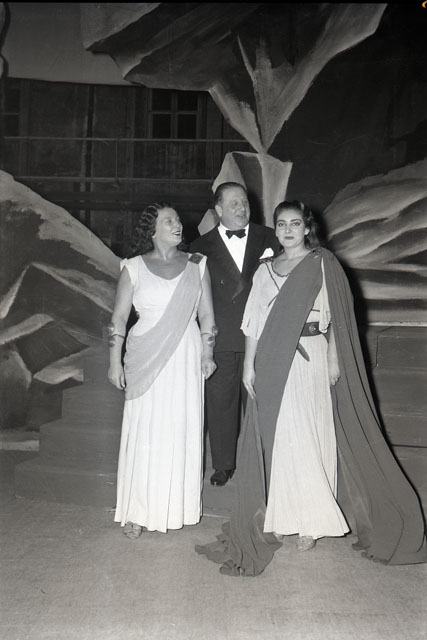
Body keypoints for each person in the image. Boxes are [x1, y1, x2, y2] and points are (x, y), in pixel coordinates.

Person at [196, 200, 426, 575]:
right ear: (275, 229)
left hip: (312, 356)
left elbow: (337, 317)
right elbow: (253, 322)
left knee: (310, 436)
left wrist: (334, 358)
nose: (287, 230)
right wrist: (249, 366)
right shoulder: (265, 270)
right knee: (281, 440)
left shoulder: (323, 263)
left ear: (306, 228)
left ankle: (312, 522)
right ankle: (283, 516)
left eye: (294, 224)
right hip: (272, 360)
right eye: (281, 224)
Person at [108, 203, 217, 538]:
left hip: (186, 354)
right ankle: (137, 512)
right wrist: (113, 361)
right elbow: (118, 318)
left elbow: (207, 316)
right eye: (168, 220)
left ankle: (176, 508)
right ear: (152, 231)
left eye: (178, 220)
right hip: (145, 356)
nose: (177, 224)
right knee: (145, 429)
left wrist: (208, 353)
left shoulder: (197, 264)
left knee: (180, 426)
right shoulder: (133, 267)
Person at [190, 182, 278, 486]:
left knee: (261, 401)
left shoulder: (270, 237)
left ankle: (263, 463)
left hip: (262, 335)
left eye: (245, 202)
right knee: (220, 402)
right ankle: (223, 464)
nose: (241, 209)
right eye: (234, 204)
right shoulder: (199, 247)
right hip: (222, 336)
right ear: (218, 210)